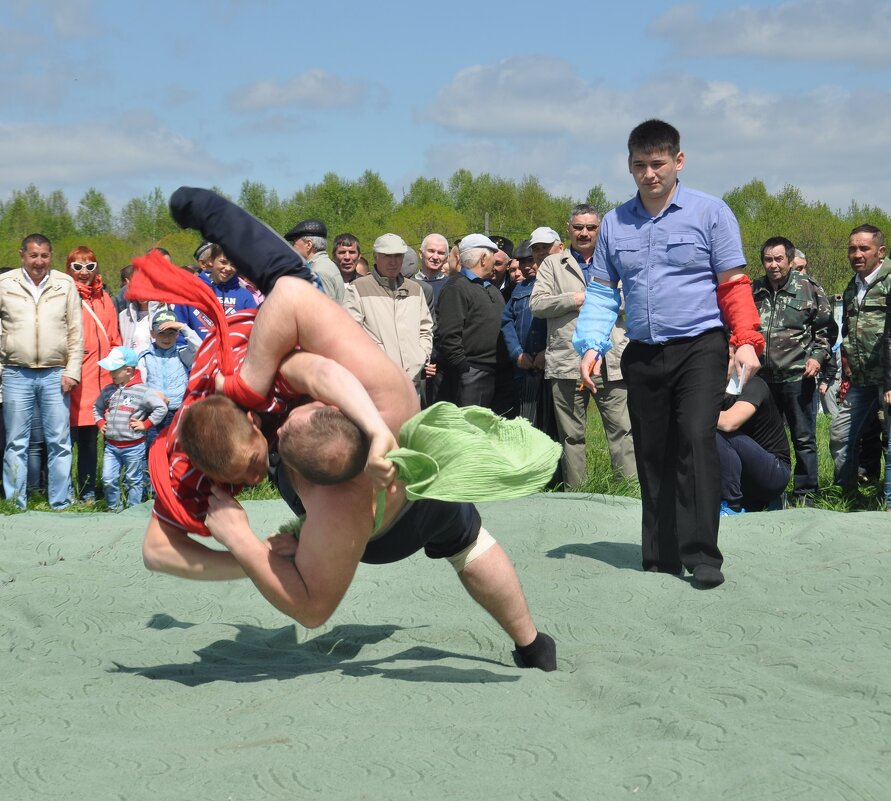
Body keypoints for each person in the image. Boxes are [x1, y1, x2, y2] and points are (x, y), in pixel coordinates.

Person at [138, 188, 556, 671]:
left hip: (380, 517)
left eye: (261, 465)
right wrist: (255, 384)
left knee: (463, 537)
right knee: (468, 540)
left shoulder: (337, 506)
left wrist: (246, 546)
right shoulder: (357, 387)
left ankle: (530, 641)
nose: (254, 481)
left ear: (287, 462)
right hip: (396, 456)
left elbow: (312, 609)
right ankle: (532, 643)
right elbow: (306, 340)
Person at [573, 119, 763, 588]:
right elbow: (600, 292)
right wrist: (591, 345)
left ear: (678, 161)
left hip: (700, 346)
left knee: (696, 438)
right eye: (640, 165)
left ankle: (702, 555)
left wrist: (746, 340)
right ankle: (659, 552)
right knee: (652, 450)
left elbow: (734, 284)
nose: (649, 174)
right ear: (629, 166)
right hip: (643, 351)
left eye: (658, 164)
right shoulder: (615, 223)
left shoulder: (711, 212)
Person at [530, 208, 636, 487]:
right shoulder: (553, 264)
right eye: (579, 227)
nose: (584, 233)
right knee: (571, 436)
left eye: (591, 227)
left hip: (611, 359)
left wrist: (599, 302)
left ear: (599, 229)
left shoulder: (616, 261)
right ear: (569, 229)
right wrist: (576, 298)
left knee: (622, 432)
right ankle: (576, 496)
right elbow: (538, 304)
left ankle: (628, 495)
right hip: (567, 360)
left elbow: (632, 299)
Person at [0, 234, 83, 510]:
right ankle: (15, 502)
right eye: (33, 255)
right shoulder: (5, 283)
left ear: (51, 256)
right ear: (22, 254)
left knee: (59, 442)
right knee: (16, 443)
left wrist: (72, 370)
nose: (39, 262)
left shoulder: (65, 283)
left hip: (55, 374)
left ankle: (60, 501)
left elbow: (75, 331)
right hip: (15, 373)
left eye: (44, 256)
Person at [752, 236, 837, 506]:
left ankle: (805, 495)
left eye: (779, 259)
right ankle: (768, 493)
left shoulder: (808, 288)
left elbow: (826, 331)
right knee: (765, 439)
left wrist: (817, 358)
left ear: (789, 260)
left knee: (803, 438)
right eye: (768, 259)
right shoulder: (754, 289)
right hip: (762, 379)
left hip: (798, 376)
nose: (773, 265)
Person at [829, 224, 891, 509]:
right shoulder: (852, 286)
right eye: (852, 248)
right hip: (861, 379)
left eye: (863, 248)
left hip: (888, 379)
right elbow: (848, 331)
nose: (856, 254)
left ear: (880, 251)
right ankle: (845, 495)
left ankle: (888, 502)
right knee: (841, 435)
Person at [343, 233, 433, 397]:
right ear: (376, 257)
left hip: (412, 383)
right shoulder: (358, 288)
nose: (393, 262)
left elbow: (425, 328)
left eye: (398, 256)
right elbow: (349, 336)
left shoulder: (414, 289)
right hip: (376, 385)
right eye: (387, 256)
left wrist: (420, 357)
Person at [66, 246, 122, 503]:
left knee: (90, 442)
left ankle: (87, 491)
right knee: (64, 442)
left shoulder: (104, 299)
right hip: (72, 379)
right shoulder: (63, 295)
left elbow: (114, 338)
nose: (84, 272)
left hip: (100, 382)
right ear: (68, 269)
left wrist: (117, 372)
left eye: (90, 266)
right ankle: (63, 492)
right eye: (77, 266)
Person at [434, 234, 511, 412]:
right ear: (483, 258)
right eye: (493, 256)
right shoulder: (457, 287)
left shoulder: (491, 289)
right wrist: (464, 370)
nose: (494, 262)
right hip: (471, 376)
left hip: (496, 373)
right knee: (471, 432)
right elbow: (449, 334)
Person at [717, 349, 792, 514]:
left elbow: (730, 422)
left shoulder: (753, 384)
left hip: (774, 472)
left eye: (727, 357)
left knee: (716, 432)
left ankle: (731, 505)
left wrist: (691, 413)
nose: (719, 362)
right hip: (745, 473)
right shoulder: (713, 391)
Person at [94, 346, 167, 511]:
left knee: (133, 480)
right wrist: (100, 422)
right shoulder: (108, 390)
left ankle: (133, 510)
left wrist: (146, 424)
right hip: (111, 447)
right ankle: (115, 508)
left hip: (134, 447)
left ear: (128, 370)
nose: (110, 373)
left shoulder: (143, 391)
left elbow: (160, 408)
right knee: (108, 479)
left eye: (114, 370)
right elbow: (97, 407)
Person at [137, 308, 201, 448]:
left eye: (171, 333)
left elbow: (200, 348)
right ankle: (151, 470)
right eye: (161, 333)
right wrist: (152, 394)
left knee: (176, 449)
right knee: (153, 449)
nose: (166, 338)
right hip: (153, 413)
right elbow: (139, 385)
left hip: (177, 412)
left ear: (177, 334)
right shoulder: (145, 357)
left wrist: (183, 327)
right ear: (152, 333)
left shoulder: (182, 354)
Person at [501, 239, 548, 427]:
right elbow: (506, 322)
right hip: (524, 368)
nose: (526, 266)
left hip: (551, 367)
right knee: (526, 424)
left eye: (530, 260)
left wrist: (548, 352)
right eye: (521, 262)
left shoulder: (554, 282)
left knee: (552, 426)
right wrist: (517, 353)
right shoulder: (519, 288)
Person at [174, 244, 257, 339]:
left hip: (231, 352)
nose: (228, 268)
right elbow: (179, 327)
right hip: (195, 352)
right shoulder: (190, 290)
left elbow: (253, 331)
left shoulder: (245, 295)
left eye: (233, 264)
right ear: (211, 260)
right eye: (223, 262)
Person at [283, 219, 344, 304]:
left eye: (294, 243)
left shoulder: (318, 271)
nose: (293, 247)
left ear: (308, 245)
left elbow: (324, 310)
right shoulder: (326, 264)